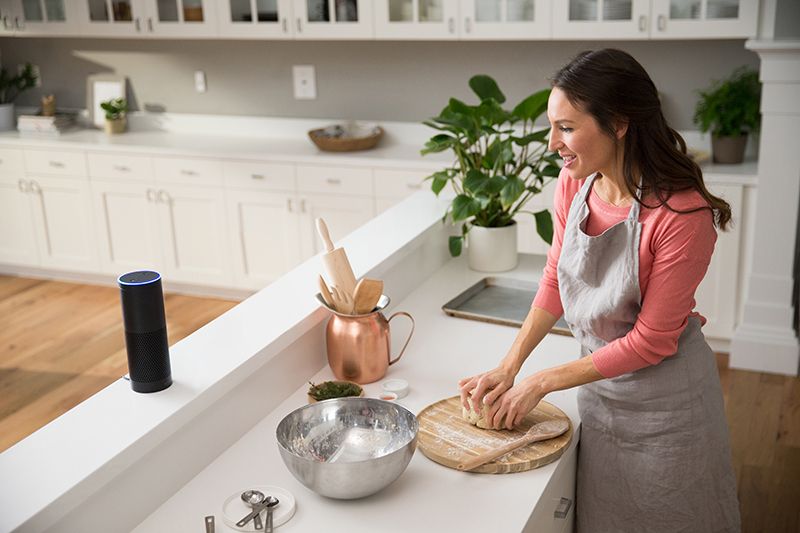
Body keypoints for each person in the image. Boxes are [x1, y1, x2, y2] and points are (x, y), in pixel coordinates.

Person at [458, 49, 741, 532]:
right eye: (553, 127)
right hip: (598, 393)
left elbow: (652, 340)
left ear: (619, 123)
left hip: (667, 411)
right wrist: (509, 367)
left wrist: (541, 381)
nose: (553, 144)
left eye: (566, 128)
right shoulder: (575, 185)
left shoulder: (682, 216)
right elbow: (554, 280)